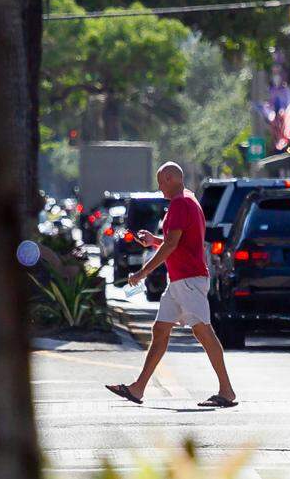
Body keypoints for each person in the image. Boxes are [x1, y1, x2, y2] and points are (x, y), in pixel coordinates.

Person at [106, 162, 237, 408]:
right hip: (178, 281)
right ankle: (138, 388)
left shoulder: (180, 203)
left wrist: (143, 272)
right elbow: (175, 241)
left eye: (160, 182)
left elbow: (171, 245)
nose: (159, 188)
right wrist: (154, 240)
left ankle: (226, 391)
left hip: (189, 280)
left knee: (204, 332)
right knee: (160, 330)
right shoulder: (188, 200)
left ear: (169, 178)